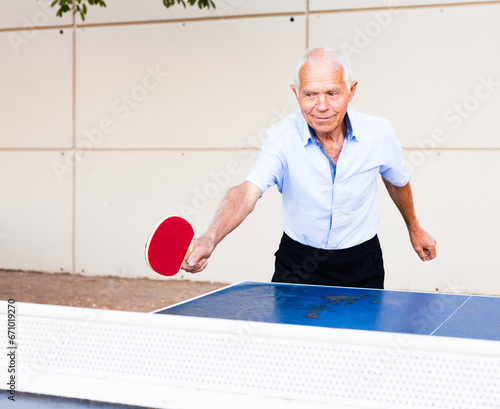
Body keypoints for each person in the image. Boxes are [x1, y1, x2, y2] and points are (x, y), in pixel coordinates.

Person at [182, 46, 436, 289]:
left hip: (361, 262)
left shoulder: (379, 134)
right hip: (297, 264)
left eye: (332, 93)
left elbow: (396, 180)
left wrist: (414, 227)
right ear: (296, 93)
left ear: (351, 90)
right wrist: (210, 237)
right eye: (310, 94)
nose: (321, 106)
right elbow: (248, 192)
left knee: (361, 334)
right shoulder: (280, 137)